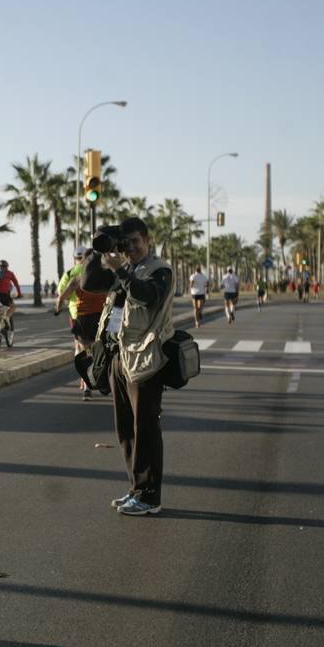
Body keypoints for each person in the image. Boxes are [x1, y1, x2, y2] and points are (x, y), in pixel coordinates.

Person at [99, 217, 174, 516]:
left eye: (135, 241)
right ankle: (136, 489)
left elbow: (148, 297)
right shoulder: (125, 270)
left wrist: (122, 270)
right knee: (126, 429)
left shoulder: (160, 270)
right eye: (125, 242)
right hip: (121, 354)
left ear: (147, 240)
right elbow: (92, 285)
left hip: (147, 357)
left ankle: (150, 496)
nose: (130, 247)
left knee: (145, 427)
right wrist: (102, 252)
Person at [56, 247, 111, 399]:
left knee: (84, 351)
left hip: (82, 319)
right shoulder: (104, 277)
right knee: (101, 349)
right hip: (100, 319)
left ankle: (87, 385)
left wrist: (57, 309)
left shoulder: (77, 279)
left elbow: (62, 297)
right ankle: (103, 380)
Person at [0, 259, 22, 328]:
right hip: (4, 295)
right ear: (7, 267)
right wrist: (19, 294)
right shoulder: (9, 273)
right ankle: (7, 317)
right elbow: (16, 284)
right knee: (13, 307)